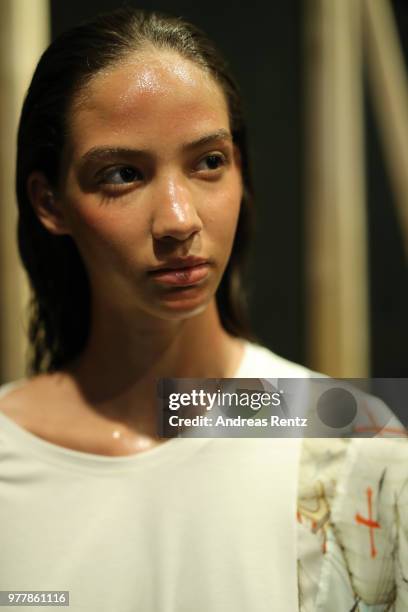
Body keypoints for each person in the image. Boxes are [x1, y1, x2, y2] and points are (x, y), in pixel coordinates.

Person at [0, 7, 406, 611]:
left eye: (209, 161)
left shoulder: (350, 435)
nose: (179, 220)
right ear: (50, 201)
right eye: (122, 174)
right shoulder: (13, 452)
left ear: (241, 168)